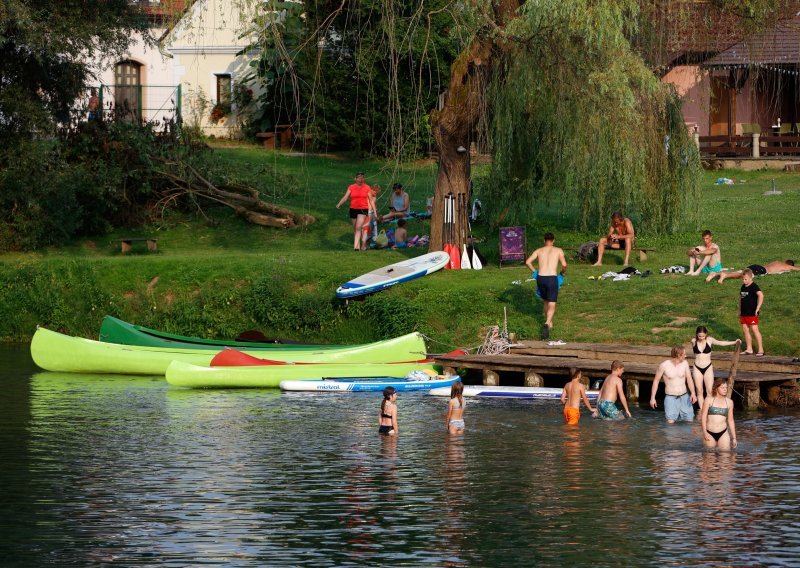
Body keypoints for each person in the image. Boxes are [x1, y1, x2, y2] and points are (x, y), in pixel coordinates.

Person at [525, 232, 567, 340]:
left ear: (544, 241)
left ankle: (550, 322)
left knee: (545, 300)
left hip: (541, 277)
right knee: (552, 303)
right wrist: (562, 273)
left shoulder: (539, 250)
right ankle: (547, 322)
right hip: (552, 278)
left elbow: (528, 262)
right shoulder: (558, 250)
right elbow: (564, 264)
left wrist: (535, 272)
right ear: (553, 240)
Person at [689, 326, 740, 406]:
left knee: (709, 391)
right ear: (696, 334)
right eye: (699, 336)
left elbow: (721, 343)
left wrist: (734, 342)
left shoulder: (710, 340)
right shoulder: (693, 341)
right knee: (699, 391)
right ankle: (702, 410)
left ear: (706, 334)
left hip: (708, 367)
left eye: (703, 336)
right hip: (697, 367)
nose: (701, 338)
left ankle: (709, 409)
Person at [650, 346, 697, 423]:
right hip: (670, 397)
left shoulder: (685, 363)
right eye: (684, 354)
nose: (686, 356)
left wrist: (693, 393)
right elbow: (656, 381)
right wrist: (652, 398)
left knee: (689, 421)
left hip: (684, 396)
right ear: (678, 355)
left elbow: (689, 379)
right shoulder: (664, 365)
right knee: (670, 423)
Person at [336, 172, 372, 251]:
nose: (360, 179)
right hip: (353, 209)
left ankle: (356, 247)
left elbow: (371, 199)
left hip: (363, 209)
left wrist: (372, 209)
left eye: (362, 178)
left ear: (364, 179)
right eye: (359, 178)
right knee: (355, 228)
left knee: (358, 227)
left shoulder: (367, 187)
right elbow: (345, 197)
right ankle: (357, 246)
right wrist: (339, 204)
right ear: (355, 179)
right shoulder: (351, 187)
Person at [700, 379, 737, 450]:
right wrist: (704, 432)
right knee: (710, 457)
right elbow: (703, 417)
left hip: (723, 433)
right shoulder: (708, 400)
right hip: (709, 432)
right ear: (716, 388)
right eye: (722, 388)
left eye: (726, 388)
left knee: (725, 456)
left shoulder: (729, 402)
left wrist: (734, 438)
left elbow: (731, 420)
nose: (725, 389)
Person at [739, 268, 765, 356]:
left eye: (745, 279)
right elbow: (741, 299)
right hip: (744, 312)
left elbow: (761, 295)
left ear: (751, 278)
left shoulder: (754, 286)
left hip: (752, 312)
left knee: (754, 329)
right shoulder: (743, 286)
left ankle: (761, 349)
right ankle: (749, 349)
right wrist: (739, 310)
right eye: (743, 279)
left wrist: (758, 308)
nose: (744, 281)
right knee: (745, 329)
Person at [712, 260, 800, 283]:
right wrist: (791, 268)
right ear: (789, 265)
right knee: (743, 276)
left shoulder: (776, 262)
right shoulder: (786, 266)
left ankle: (716, 273)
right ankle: (724, 275)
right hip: (761, 270)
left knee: (741, 272)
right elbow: (797, 269)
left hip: (757, 266)